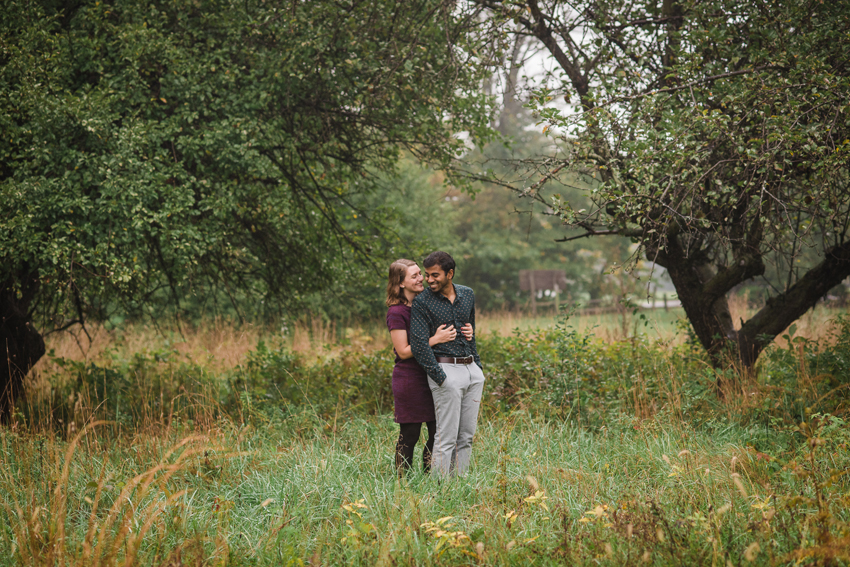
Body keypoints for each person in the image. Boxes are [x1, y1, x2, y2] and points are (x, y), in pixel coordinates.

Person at [385, 259, 473, 476]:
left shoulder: (424, 304)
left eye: (419, 274)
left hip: (433, 374)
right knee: (410, 434)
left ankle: (430, 479)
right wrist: (433, 340)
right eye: (414, 276)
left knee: (437, 433)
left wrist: (467, 332)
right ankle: (402, 483)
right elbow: (403, 351)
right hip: (410, 379)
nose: (421, 278)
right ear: (401, 283)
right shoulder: (397, 312)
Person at [409, 251, 485, 477]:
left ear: (450, 274)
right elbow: (419, 344)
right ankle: (439, 489)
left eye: (435, 275)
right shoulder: (422, 302)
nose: (429, 280)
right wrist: (440, 377)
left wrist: (477, 367)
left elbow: (470, 332)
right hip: (445, 370)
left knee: (466, 437)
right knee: (445, 438)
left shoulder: (467, 294)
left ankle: (460, 486)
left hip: (471, 371)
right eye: (427, 275)